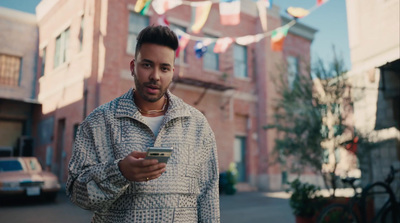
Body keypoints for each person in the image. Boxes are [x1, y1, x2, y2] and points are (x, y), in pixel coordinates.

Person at [66, 25, 220, 222]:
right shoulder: (99, 122)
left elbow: (209, 199)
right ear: (133, 67)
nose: (155, 75)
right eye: (147, 65)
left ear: (172, 72)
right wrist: (119, 172)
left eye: (164, 68)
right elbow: (77, 195)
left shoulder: (197, 125)